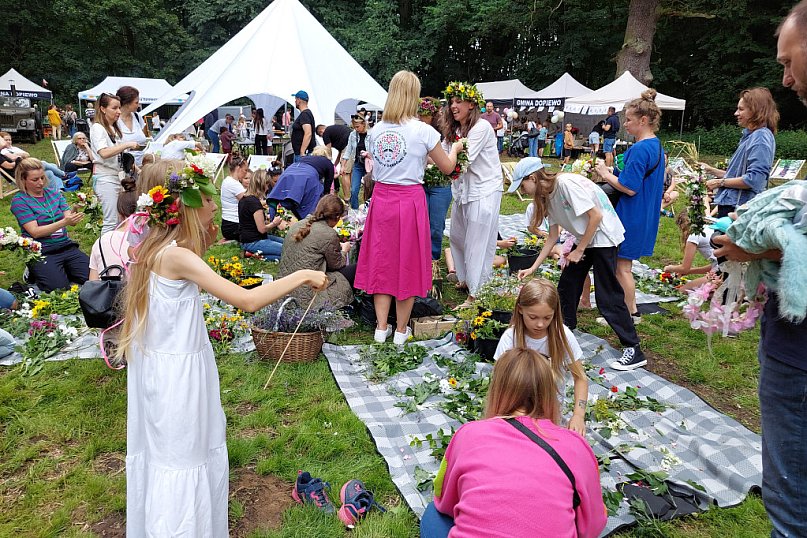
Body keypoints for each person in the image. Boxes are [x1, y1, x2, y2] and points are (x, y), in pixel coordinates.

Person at [114, 163, 326, 536]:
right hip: (177, 378)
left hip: (167, 369)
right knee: (182, 456)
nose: (215, 204)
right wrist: (302, 275)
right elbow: (246, 300)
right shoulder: (176, 256)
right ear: (183, 205)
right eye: (207, 197)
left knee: (174, 452)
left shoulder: (160, 246)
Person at [706, 9, 807, 537]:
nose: (786, 78)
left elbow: (760, 182)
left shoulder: (763, 140)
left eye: (790, 62)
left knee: (792, 510)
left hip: (798, 347)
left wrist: (756, 247)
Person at [421, 347, 607, 538]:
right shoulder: (576, 446)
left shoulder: (468, 434)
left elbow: (446, 502)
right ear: (550, 392)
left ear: (497, 390)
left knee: (433, 515)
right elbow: (592, 525)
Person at [356, 71, 463, 344]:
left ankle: (382, 328)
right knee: (407, 263)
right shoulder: (424, 131)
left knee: (382, 260)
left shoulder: (375, 131)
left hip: (381, 199)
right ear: (414, 96)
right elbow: (448, 168)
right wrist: (456, 149)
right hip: (408, 200)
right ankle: (401, 330)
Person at [513, 157, 646, 371]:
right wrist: (533, 267)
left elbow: (596, 216)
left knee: (607, 295)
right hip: (585, 238)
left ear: (532, 178)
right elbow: (552, 236)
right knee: (566, 286)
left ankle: (633, 349)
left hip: (603, 237)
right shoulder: (548, 195)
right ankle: (565, 331)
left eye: (522, 185)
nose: (524, 191)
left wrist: (580, 250)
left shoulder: (565, 184)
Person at [595, 90, 666, 325]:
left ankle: (628, 315)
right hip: (645, 213)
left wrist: (606, 174)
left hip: (632, 213)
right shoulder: (656, 146)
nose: (624, 124)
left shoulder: (639, 149)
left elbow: (629, 187)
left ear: (643, 120)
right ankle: (629, 311)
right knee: (624, 266)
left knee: (621, 267)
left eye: (628, 119)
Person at [493, 278, 589, 433]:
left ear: (555, 313)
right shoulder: (510, 338)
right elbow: (499, 381)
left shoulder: (562, 335)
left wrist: (578, 415)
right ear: (520, 309)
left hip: (550, 413)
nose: (540, 324)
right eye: (533, 317)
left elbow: (581, 377)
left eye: (547, 318)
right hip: (514, 414)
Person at [441, 81, 503, 308]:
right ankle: (467, 279)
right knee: (457, 236)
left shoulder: (482, 128)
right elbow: (441, 157)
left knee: (478, 243)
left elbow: (459, 165)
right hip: (462, 191)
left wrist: (446, 159)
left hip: (484, 189)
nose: (453, 106)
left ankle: (475, 295)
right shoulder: (455, 130)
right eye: (451, 102)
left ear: (471, 104)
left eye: (458, 102)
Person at [10, 158, 89, 292]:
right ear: (23, 180)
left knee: (94, 277)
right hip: (42, 251)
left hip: (66, 246)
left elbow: (68, 217)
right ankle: (33, 271)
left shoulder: (54, 193)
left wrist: (75, 209)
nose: (40, 183)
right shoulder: (20, 201)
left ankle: (62, 269)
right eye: (35, 180)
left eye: (42, 177)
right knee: (58, 289)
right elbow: (35, 232)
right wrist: (64, 222)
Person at [699, 88, 778, 218]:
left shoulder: (760, 137)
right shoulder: (751, 136)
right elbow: (738, 175)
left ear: (755, 110)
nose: (736, 113)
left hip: (740, 209)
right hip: (732, 205)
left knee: (719, 238)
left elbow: (754, 180)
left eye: (741, 109)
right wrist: (711, 170)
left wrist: (719, 183)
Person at [277, 194, 355, 308]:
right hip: (307, 292)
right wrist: (344, 250)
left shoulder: (299, 224)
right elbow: (336, 264)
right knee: (356, 269)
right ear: (337, 217)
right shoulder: (328, 234)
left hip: (284, 286)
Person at [91, 93, 141, 235]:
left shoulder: (112, 128)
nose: (118, 111)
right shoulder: (97, 128)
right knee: (111, 221)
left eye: (119, 108)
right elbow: (104, 153)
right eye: (114, 108)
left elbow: (119, 156)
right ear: (102, 109)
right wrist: (126, 145)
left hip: (117, 177)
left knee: (121, 218)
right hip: (105, 177)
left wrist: (137, 169)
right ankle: (103, 253)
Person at [418, 98, 454, 274]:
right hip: (422, 183)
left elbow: (448, 160)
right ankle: (420, 260)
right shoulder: (416, 130)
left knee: (436, 226)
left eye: (424, 113)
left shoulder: (446, 130)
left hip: (441, 184)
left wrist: (430, 157)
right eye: (418, 113)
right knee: (419, 223)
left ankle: (433, 261)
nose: (420, 117)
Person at [268, 146, 334, 220]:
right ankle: (306, 222)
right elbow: (327, 187)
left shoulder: (305, 158)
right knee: (311, 201)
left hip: (289, 171)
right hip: (308, 175)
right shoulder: (328, 163)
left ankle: (270, 218)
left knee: (276, 196)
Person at [661, 212, 716, 291]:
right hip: (731, 267)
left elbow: (684, 268)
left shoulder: (694, 235)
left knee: (682, 290)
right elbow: (716, 265)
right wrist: (690, 271)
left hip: (722, 274)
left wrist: (669, 268)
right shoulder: (710, 227)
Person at [88, 191, 136, 280]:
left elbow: (93, 282)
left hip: (107, 292)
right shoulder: (150, 241)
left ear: (119, 214)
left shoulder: (101, 241)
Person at [238, 169, 285, 260]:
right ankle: (253, 255)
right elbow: (262, 229)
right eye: (267, 184)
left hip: (249, 239)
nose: (268, 188)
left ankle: (252, 254)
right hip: (254, 241)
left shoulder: (244, 198)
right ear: (261, 185)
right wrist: (274, 223)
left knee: (287, 244)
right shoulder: (254, 203)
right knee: (288, 251)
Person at [1, 132, 73, 189]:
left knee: (51, 168)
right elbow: (10, 165)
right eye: (6, 140)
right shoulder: (2, 152)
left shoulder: (13, 148)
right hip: (21, 174)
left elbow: (27, 154)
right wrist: (19, 158)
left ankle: (60, 188)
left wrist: (18, 157)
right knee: (43, 164)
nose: (8, 142)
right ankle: (64, 175)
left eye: (9, 140)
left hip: (26, 168)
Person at [339, 115, 370, 208]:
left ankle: (368, 210)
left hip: (369, 166)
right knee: (354, 190)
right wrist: (343, 166)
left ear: (364, 124)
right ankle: (355, 212)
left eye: (357, 127)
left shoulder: (371, 134)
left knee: (369, 190)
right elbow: (348, 151)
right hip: (358, 165)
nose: (356, 129)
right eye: (354, 127)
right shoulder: (353, 135)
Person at [116, 86, 148, 167]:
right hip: (123, 167)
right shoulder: (115, 120)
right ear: (127, 103)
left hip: (141, 165)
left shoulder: (138, 117)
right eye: (136, 102)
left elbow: (145, 137)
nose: (138, 105)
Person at [219, 155, 248, 241]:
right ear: (238, 168)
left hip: (228, 223)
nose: (246, 173)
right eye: (245, 170)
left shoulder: (228, 180)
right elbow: (249, 202)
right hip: (234, 224)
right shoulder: (233, 184)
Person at [291, 90, 316, 161]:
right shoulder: (306, 114)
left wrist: (302, 151)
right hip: (301, 153)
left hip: (303, 154)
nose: (295, 101)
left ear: (299, 100)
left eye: (295, 99)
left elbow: (308, 133)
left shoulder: (305, 114)